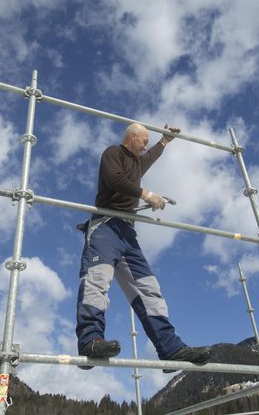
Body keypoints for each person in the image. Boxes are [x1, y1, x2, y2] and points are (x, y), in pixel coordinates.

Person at [76, 122, 212, 371]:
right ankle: (90, 340)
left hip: (127, 232)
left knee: (149, 288)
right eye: (144, 140)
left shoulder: (138, 163)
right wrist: (147, 195)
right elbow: (114, 179)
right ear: (132, 137)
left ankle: (170, 347)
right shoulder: (113, 153)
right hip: (105, 225)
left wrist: (165, 141)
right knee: (98, 279)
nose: (146, 144)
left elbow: (151, 157)